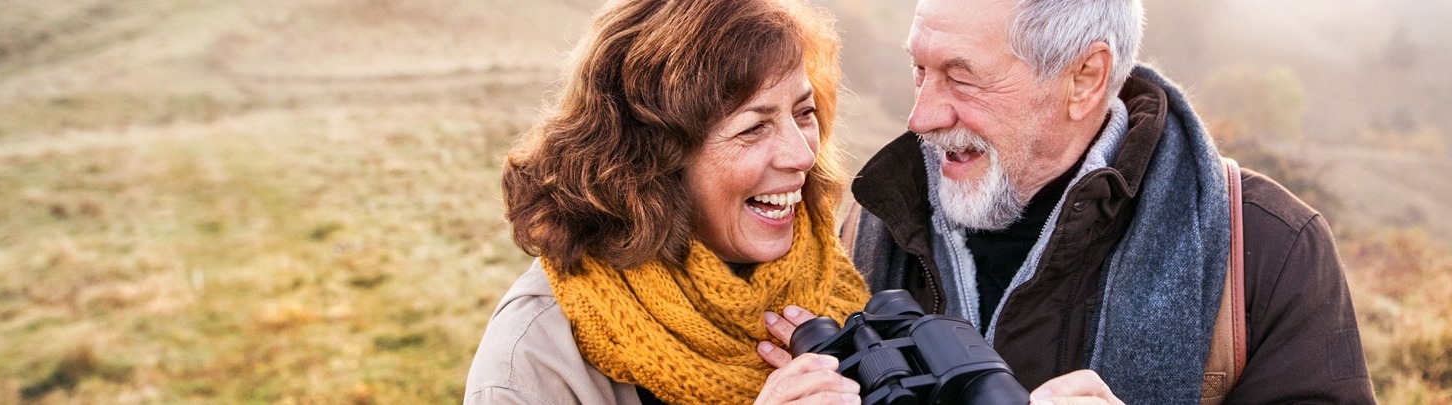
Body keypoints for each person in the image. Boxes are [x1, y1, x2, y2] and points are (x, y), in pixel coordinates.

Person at [756, 0, 1376, 403]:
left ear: (1084, 79)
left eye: (962, 76)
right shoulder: (870, 221)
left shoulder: (1267, 251)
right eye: (920, 70)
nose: (920, 117)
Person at [463, 0, 871, 403]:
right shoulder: (531, 365)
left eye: (804, 112)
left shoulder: (838, 282)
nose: (801, 155)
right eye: (753, 128)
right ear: (651, 160)